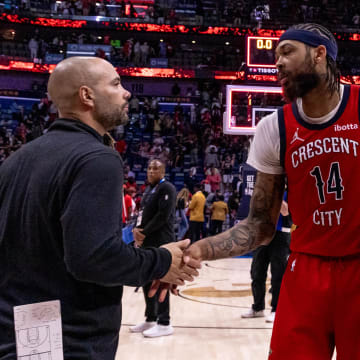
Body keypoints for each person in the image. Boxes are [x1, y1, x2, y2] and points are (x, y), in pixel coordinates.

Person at [0, 57, 200, 359]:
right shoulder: (96, 158)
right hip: (70, 338)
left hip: (20, 329)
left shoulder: (16, 160)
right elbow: (92, 258)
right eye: (116, 83)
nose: (127, 93)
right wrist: (161, 262)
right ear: (87, 95)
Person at [182, 23, 360, 359]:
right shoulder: (273, 127)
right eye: (276, 54)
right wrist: (197, 251)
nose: (277, 62)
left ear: (320, 54)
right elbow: (260, 226)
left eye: (287, 51)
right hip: (306, 268)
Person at [131, 159, 177, 338]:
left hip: (162, 242)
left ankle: (164, 322)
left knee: (161, 281)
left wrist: (144, 232)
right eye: (149, 168)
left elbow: (163, 216)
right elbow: (143, 214)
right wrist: (137, 229)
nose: (151, 171)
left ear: (163, 171)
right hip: (147, 241)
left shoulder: (167, 188)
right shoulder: (148, 190)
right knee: (146, 281)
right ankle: (150, 318)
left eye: (155, 168)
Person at [241, 195, 291, 323]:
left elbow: (285, 210)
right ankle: (258, 308)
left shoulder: (289, 189)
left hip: (280, 234)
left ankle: (276, 310)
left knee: (277, 274)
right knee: (256, 272)